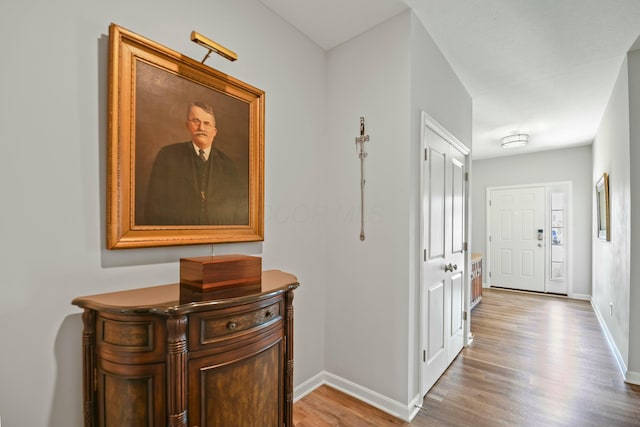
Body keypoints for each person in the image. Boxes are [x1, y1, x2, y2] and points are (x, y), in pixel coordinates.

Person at [144, 101, 248, 225]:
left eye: (207, 123)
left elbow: (236, 211)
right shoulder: (167, 156)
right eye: (196, 121)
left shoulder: (228, 165)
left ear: (214, 132)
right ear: (187, 125)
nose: (201, 128)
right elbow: (153, 206)